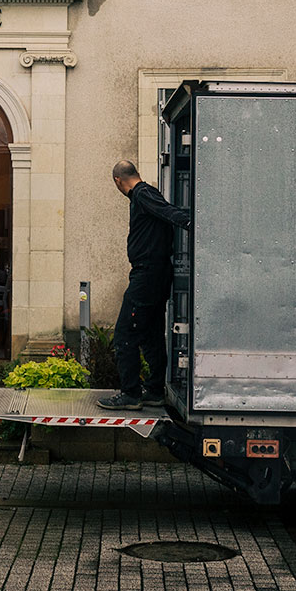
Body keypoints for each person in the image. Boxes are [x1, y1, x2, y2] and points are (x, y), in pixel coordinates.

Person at [99, 159, 192, 411]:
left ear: (118, 181)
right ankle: (153, 390)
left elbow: (168, 211)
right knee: (151, 333)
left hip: (147, 275)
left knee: (125, 334)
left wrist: (192, 222)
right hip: (157, 274)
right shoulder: (146, 194)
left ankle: (130, 393)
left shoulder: (142, 194)